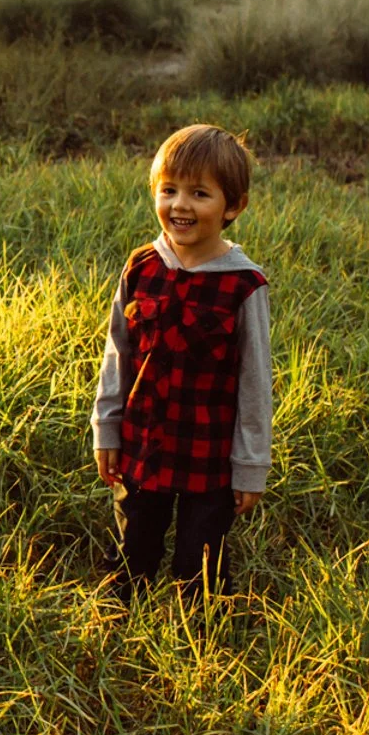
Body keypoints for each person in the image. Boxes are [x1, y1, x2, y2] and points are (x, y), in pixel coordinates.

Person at [91, 124, 272, 602]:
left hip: (208, 456)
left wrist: (250, 465)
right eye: (168, 190)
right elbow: (118, 356)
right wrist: (106, 429)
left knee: (201, 563)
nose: (180, 206)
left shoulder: (243, 285)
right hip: (143, 444)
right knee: (133, 550)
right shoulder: (141, 267)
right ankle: (116, 623)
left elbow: (255, 381)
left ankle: (204, 641)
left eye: (199, 193)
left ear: (233, 206)